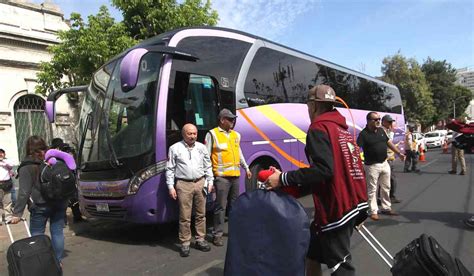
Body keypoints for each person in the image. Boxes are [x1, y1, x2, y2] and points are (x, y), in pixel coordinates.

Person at [266, 85, 369, 276]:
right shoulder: (341, 130)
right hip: (353, 202)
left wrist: (283, 178)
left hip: (337, 209)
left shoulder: (318, 128)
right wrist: (286, 179)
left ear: (312, 106)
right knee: (312, 255)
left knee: (341, 268)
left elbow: (323, 170)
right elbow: (346, 169)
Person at [10, 136, 68, 264]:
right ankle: (57, 262)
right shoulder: (52, 160)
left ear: (28, 148)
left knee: (37, 234)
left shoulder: (26, 166)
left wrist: (17, 213)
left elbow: (24, 192)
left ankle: (42, 263)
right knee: (57, 232)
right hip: (59, 202)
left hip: (40, 205)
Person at [205, 108, 252, 247]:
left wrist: (246, 168)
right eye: (230, 119)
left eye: (233, 119)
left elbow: (239, 153)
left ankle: (235, 232)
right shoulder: (212, 134)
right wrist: (209, 178)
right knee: (221, 207)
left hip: (235, 176)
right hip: (222, 178)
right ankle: (217, 235)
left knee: (235, 206)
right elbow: (206, 158)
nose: (233, 121)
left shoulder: (236, 135)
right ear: (222, 120)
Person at [166, 124, 213, 257]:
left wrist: (210, 181)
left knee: (201, 214)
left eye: (195, 133)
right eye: (190, 134)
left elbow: (208, 165)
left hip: (200, 182)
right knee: (184, 217)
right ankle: (185, 243)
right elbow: (170, 169)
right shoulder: (174, 148)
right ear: (183, 134)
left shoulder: (201, 147)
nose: (193, 136)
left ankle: (200, 240)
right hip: (183, 184)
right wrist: (170, 186)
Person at [357, 112, 405, 221]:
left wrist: (399, 153)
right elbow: (356, 147)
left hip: (384, 163)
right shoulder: (363, 134)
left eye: (379, 119)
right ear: (369, 121)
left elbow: (389, 143)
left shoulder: (381, 130)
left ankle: (386, 207)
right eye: (375, 119)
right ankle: (373, 211)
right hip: (371, 166)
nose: (378, 121)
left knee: (386, 187)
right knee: (372, 189)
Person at [50, 138, 85, 224]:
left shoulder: (52, 154)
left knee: (68, 199)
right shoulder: (56, 154)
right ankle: (74, 217)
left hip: (62, 178)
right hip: (66, 178)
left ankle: (67, 219)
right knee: (69, 198)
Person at [381, 115, 402, 203]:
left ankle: (389, 196)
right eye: (389, 122)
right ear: (383, 122)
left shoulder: (389, 131)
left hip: (389, 159)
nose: (391, 124)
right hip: (383, 159)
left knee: (389, 179)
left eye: (391, 122)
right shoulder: (381, 131)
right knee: (386, 180)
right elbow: (388, 144)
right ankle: (386, 198)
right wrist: (399, 153)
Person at [0, 148, 15, 218]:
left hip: (6, 183)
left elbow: (11, 166)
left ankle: (8, 217)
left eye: (2, 153)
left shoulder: (7, 161)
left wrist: (2, 160)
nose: (0, 154)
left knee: (7, 201)